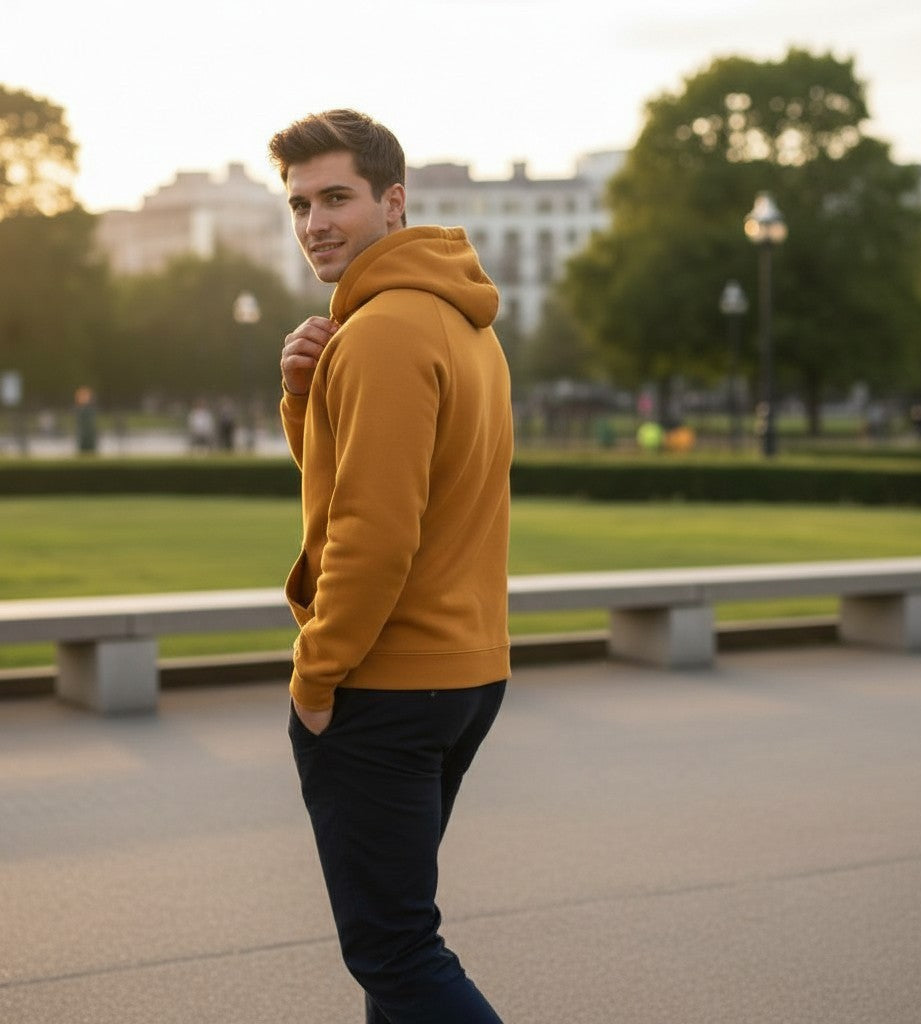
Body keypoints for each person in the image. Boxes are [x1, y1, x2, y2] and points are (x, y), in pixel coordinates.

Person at [270, 109, 513, 1024]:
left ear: (393, 201)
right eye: (299, 204)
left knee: (396, 950)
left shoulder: (381, 333)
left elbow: (374, 532)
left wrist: (316, 673)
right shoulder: (461, 323)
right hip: (465, 671)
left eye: (337, 197)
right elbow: (366, 478)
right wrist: (304, 396)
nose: (315, 223)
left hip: (387, 680)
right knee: (399, 952)